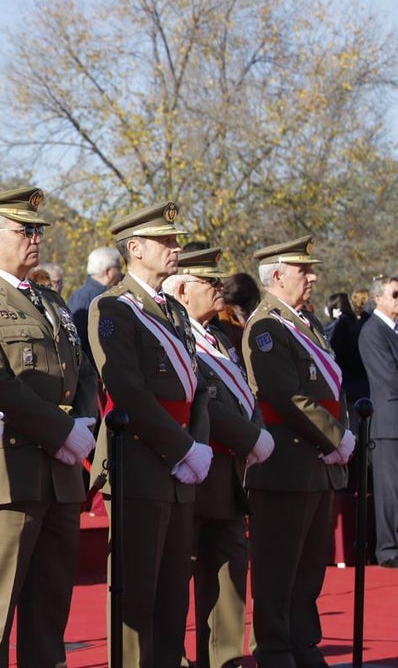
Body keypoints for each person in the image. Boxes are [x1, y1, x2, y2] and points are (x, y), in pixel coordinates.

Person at [0, 188, 98, 668]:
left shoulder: (51, 299)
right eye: (26, 230)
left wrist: (83, 417)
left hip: (59, 474)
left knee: (51, 603)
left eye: (37, 230)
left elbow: (82, 368)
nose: (36, 238)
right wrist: (63, 433)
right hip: (9, 473)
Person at [88, 202, 212, 668]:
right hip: (142, 461)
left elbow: (197, 386)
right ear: (134, 248)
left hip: (182, 461)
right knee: (136, 591)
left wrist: (196, 444)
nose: (175, 248)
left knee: (172, 588)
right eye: (166, 241)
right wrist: (182, 448)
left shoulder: (174, 310)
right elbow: (128, 391)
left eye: (176, 240)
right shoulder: (113, 306)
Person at [242, 236, 354, 668]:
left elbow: (330, 389)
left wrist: (337, 436)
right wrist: (334, 437)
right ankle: (274, 649)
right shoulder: (267, 326)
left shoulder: (303, 323)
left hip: (317, 462)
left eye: (311, 270)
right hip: (286, 464)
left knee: (309, 567)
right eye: (303, 271)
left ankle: (303, 643)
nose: (312, 277)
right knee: (278, 566)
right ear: (277, 276)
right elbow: (285, 394)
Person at [163, 247, 274, 668]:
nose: (218, 288)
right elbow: (206, 402)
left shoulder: (222, 338)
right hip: (194, 470)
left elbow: (246, 396)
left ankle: (226, 659)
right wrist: (252, 437)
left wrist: (256, 430)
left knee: (229, 575)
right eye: (209, 282)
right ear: (182, 289)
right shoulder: (175, 336)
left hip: (229, 476)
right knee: (177, 577)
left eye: (218, 281)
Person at [357, 275, 398, 568]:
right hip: (388, 422)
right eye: (395, 294)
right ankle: (389, 549)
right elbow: (389, 378)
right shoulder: (373, 331)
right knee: (389, 489)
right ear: (378, 298)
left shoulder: (393, 330)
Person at [67, 246, 124, 360]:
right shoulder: (84, 297)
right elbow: (77, 340)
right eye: (118, 268)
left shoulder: (106, 295)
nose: (121, 273)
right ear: (108, 272)